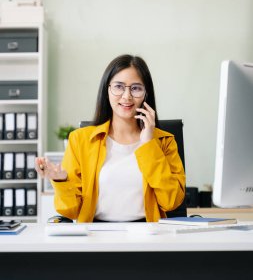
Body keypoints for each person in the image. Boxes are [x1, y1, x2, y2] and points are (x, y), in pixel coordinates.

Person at [35, 54, 185, 222]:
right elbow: (72, 211)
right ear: (107, 90)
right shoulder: (80, 140)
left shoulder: (164, 141)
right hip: (96, 236)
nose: (127, 96)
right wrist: (60, 180)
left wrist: (148, 145)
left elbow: (171, 202)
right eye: (119, 87)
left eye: (136, 88)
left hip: (147, 235)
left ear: (146, 94)